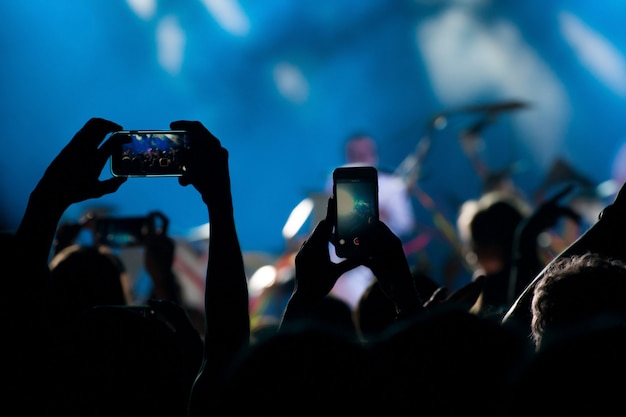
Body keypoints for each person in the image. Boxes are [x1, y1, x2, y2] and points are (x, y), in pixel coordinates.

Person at [323, 132, 417, 308]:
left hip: (378, 262)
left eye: (364, 154)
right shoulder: (334, 181)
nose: (360, 159)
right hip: (341, 261)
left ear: (375, 155)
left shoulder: (393, 185)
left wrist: (379, 213)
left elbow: (406, 224)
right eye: (354, 155)